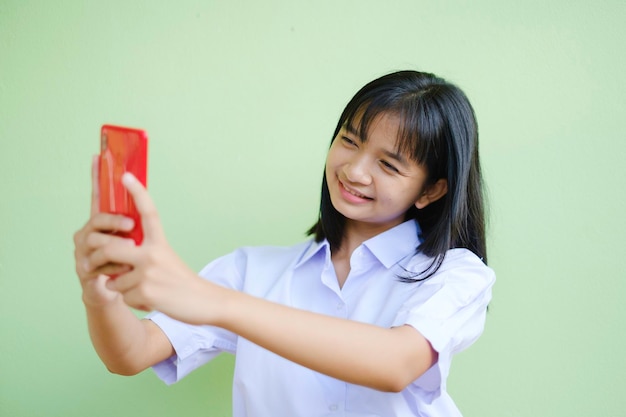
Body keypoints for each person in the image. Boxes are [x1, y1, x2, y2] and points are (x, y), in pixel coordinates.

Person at [73, 70, 495, 417]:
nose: (355, 170)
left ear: (431, 191)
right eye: (349, 140)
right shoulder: (253, 271)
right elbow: (130, 354)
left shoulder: (456, 274)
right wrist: (100, 292)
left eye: (388, 164)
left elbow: (396, 363)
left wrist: (214, 302)